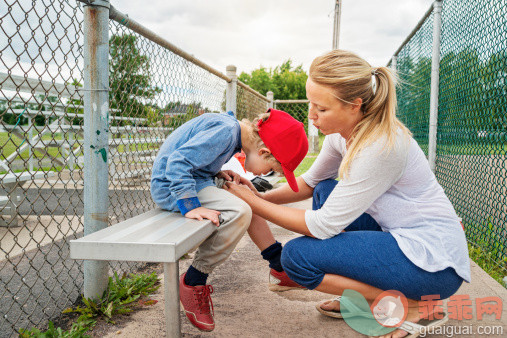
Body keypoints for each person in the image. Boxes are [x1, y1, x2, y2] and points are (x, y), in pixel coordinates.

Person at [225, 50, 470, 338]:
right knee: (327, 189)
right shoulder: (341, 134)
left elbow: (322, 225)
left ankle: (412, 305)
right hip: (403, 240)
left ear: (355, 105)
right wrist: (259, 196)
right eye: (310, 104)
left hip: (433, 266)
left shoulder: (379, 146)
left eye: (323, 109)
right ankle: (366, 297)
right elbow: (311, 184)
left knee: (296, 258)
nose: (312, 116)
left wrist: (253, 204)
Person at [150, 108, 308, 331]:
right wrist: (190, 206)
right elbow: (177, 162)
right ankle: (193, 280)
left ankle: (279, 266)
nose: (265, 175)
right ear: (263, 152)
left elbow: (194, 158)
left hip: (193, 181)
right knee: (240, 210)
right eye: (272, 170)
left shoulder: (230, 130)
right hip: (173, 189)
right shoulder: (225, 132)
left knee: (247, 196)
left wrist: (216, 172)